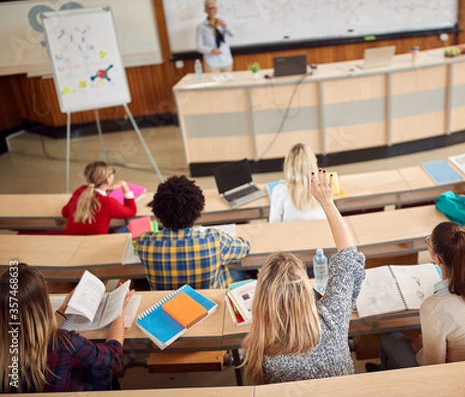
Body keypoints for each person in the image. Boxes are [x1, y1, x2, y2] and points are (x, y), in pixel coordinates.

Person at [242, 169, 366, 384]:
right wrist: (327, 202)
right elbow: (347, 256)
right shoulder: (332, 319)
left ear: (262, 300)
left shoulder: (261, 348)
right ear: (305, 291)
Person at [374, 222, 465, 370]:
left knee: (389, 338)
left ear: (438, 259)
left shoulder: (434, 308)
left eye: (429, 241)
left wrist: (419, 349)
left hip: (458, 381)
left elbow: (432, 366)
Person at [0, 263, 133, 392]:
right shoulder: (65, 344)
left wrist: (64, 310)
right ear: (43, 305)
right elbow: (112, 355)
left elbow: (32, 330)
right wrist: (118, 314)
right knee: (98, 369)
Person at [136, 175, 250, 290]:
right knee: (237, 271)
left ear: (158, 215)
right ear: (196, 214)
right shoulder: (214, 239)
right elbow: (245, 248)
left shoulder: (143, 243)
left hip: (166, 304)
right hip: (211, 303)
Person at [62, 161, 137, 235]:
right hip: (98, 245)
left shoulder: (80, 191)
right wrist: (124, 186)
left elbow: (65, 213)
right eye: (112, 172)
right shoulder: (108, 202)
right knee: (130, 226)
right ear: (107, 180)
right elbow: (132, 211)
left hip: (71, 243)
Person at [269, 143, 326, 222]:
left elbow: (273, 224)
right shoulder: (323, 187)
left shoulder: (279, 191)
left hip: (291, 233)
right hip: (322, 233)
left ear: (288, 166)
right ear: (313, 162)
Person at [197, 0, 233, 73]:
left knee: (228, 84)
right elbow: (199, 47)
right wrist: (211, 50)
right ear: (205, 10)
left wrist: (225, 26)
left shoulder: (222, 23)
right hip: (212, 62)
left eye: (213, 8)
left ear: (216, 9)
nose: (211, 10)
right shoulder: (201, 27)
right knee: (215, 84)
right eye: (209, 8)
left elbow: (232, 34)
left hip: (226, 60)